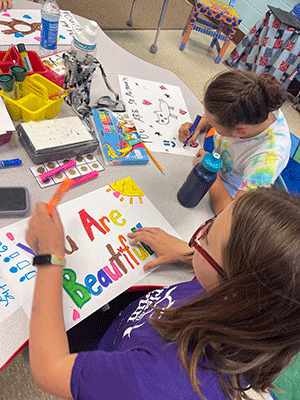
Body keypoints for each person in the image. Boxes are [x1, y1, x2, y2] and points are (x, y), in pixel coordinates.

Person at [26, 186, 300, 400]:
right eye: (211, 222)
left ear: (231, 291)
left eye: (207, 237)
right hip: (130, 328)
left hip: (113, 365)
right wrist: (191, 253)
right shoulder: (258, 310)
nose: (199, 232)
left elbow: (48, 370)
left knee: (32, 344)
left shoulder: (157, 381)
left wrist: (50, 255)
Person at [178, 70, 291, 215]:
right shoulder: (255, 103)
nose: (209, 122)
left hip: (226, 197)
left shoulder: (267, 160)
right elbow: (223, 114)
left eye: (215, 125)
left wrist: (210, 173)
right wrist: (199, 126)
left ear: (241, 131)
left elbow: (231, 218)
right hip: (215, 172)